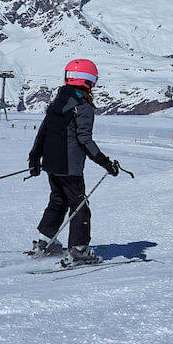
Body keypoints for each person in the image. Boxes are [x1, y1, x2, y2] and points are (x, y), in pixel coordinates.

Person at [28, 59, 119, 266]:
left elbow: (43, 132)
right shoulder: (83, 106)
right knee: (80, 206)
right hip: (70, 167)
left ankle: (44, 242)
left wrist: (35, 158)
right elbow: (84, 139)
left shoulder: (58, 101)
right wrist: (106, 163)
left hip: (51, 164)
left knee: (58, 201)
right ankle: (78, 250)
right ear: (88, 80)